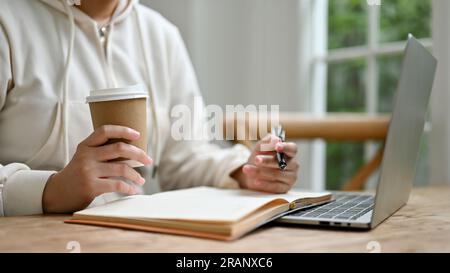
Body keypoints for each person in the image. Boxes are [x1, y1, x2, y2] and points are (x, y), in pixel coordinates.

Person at [0, 0, 299, 217]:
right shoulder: (8, 21)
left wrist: (248, 171)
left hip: (136, 240)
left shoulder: (161, 35)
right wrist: (49, 191)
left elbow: (186, 158)